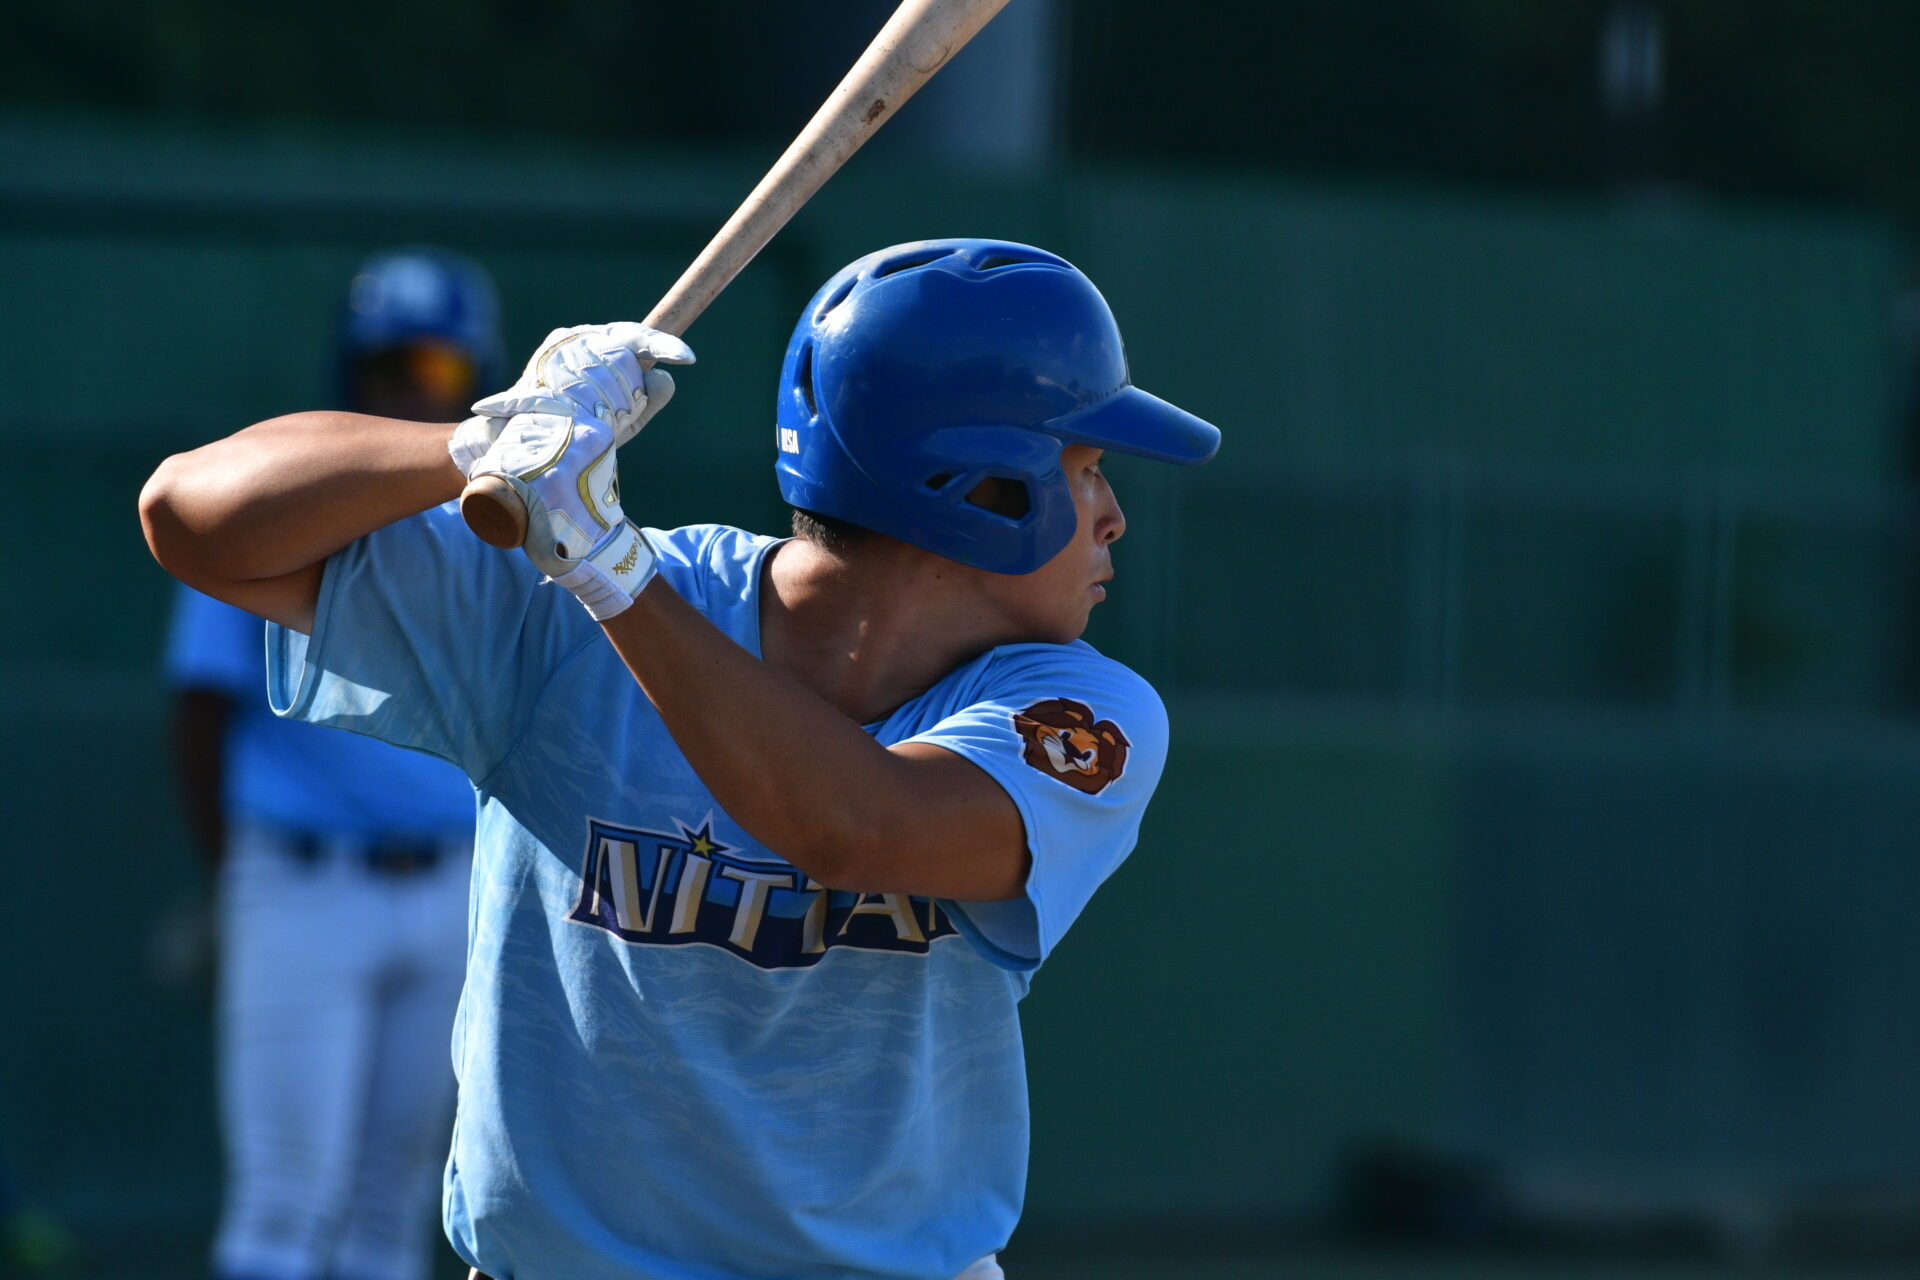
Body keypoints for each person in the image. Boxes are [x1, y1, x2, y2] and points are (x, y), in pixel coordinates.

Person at [140, 238, 1220, 1280]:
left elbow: (856, 825)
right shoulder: (562, 607)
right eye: (1087, 470)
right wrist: (485, 441)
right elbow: (188, 516)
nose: (1114, 518)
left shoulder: (1078, 710)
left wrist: (609, 571)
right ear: (983, 488)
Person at [162, 247, 503, 1280]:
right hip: (303, 874)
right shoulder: (275, 508)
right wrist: (234, 876)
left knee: (389, 1217)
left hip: (452, 885)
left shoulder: (497, 527)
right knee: (283, 1209)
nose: (413, 388)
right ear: (353, 374)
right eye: (392, 366)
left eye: (440, 368)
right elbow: (198, 711)